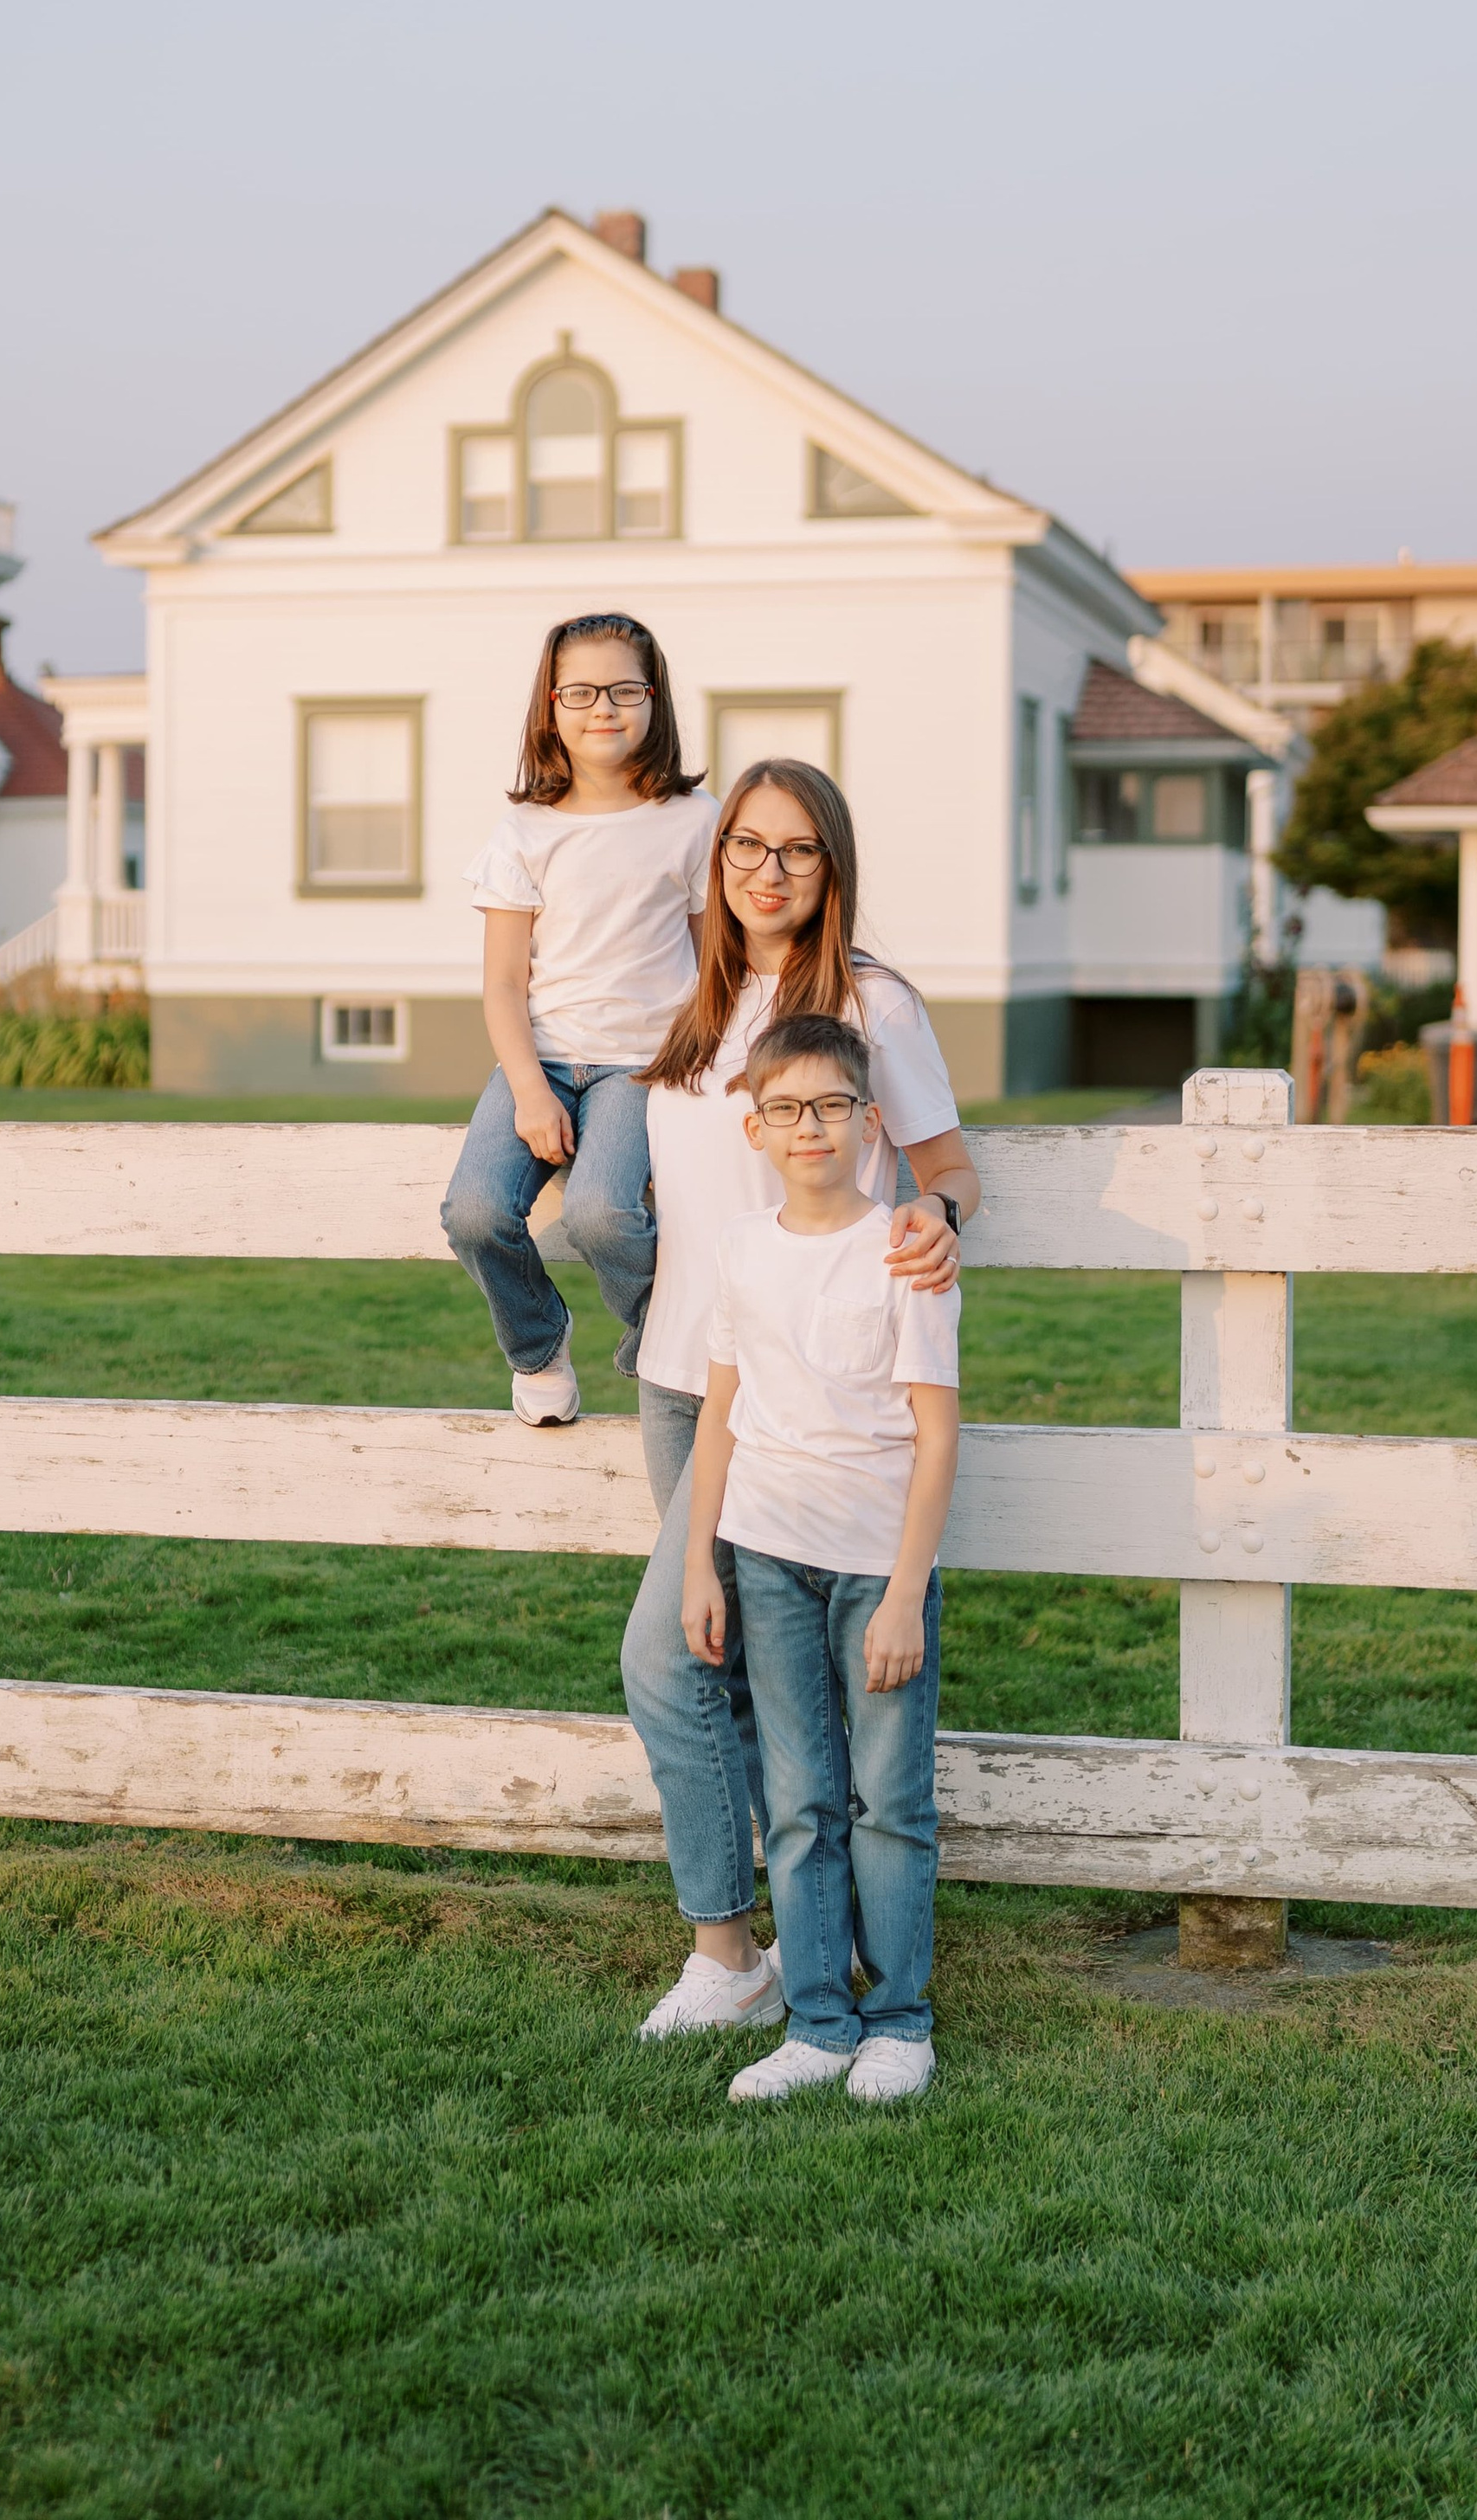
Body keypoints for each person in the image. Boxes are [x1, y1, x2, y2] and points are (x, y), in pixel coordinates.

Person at [621, 759, 976, 2040]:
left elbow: (947, 1167)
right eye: (746, 846)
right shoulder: (688, 995)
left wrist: (935, 1219)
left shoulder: (871, 1004)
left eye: (798, 850)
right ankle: (796, 1950)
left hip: (799, 1402)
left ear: (832, 869)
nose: (767, 872)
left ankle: (731, 1951)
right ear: (716, 856)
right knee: (721, 1661)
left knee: (660, 1662)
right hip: (681, 1374)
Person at [681, 1009, 959, 2105]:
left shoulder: (904, 1252)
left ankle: (898, 2024)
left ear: (870, 1124)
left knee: (888, 1802)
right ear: (754, 1128)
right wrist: (700, 1564)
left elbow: (936, 1436)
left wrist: (903, 1596)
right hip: (767, 1560)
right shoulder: (740, 1251)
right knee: (798, 1804)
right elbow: (719, 1416)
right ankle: (817, 2023)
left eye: (832, 1106)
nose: (810, 1126)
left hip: (877, 1571)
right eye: (786, 1109)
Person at [442, 614, 716, 1425]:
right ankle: (538, 1344)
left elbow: (715, 966)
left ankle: (663, 1335)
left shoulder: (695, 819)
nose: (605, 708)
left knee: (601, 1215)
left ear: (654, 699)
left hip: (644, 1066)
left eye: (626, 689)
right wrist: (530, 1090)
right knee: (475, 1213)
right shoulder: (524, 832)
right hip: (542, 1059)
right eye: (583, 692)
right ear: (551, 706)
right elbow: (502, 984)